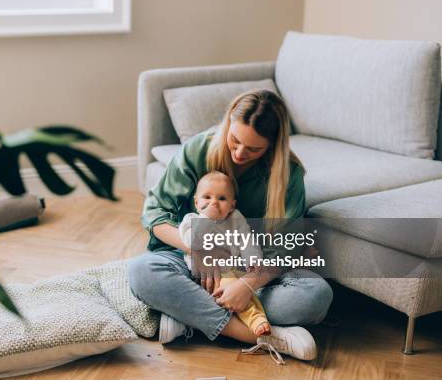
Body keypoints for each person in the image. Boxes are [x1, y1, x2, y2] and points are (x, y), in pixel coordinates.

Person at [128, 89, 333, 363]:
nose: (239, 153)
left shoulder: (289, 174)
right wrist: (198, 248)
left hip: (251, 269)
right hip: (192, 264)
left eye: (253, 148)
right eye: (234, 140)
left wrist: (247, 286)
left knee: (316, 295)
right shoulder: (198, 149)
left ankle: (188, 316)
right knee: (142, 271)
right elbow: (154, 213)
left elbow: (288, 246)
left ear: (273, 144)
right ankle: (260, 335)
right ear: (227, 125)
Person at [179, 170, 271, 337]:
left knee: (245, 289)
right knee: (229, 285)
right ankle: (256, 319)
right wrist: (206, 218)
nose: (214, 203)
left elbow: (246, 240)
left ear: (232, 205)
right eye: (207, 197)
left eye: (222, 199)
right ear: (196, 202)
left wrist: (253, 260)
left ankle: (187, 323)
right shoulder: (191, 220)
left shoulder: (235, 218)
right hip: (205, 275)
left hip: (234, 270)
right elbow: (192, 242)